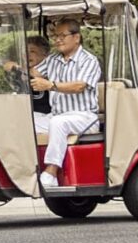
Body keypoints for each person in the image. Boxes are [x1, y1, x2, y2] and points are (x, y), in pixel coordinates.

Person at [31, 20, 101, 191]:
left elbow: (79, 86)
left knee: (59, 123)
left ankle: (51, 172)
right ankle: (28, 167)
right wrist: (14, 66)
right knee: (26, 119)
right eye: (56, 36)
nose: (58, 40)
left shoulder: (89, 60)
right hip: (57, 114)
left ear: (76, 37)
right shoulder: (53, 59)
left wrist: (50, 85)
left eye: (63, 36)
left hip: (85, 117)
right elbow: (35, 72)